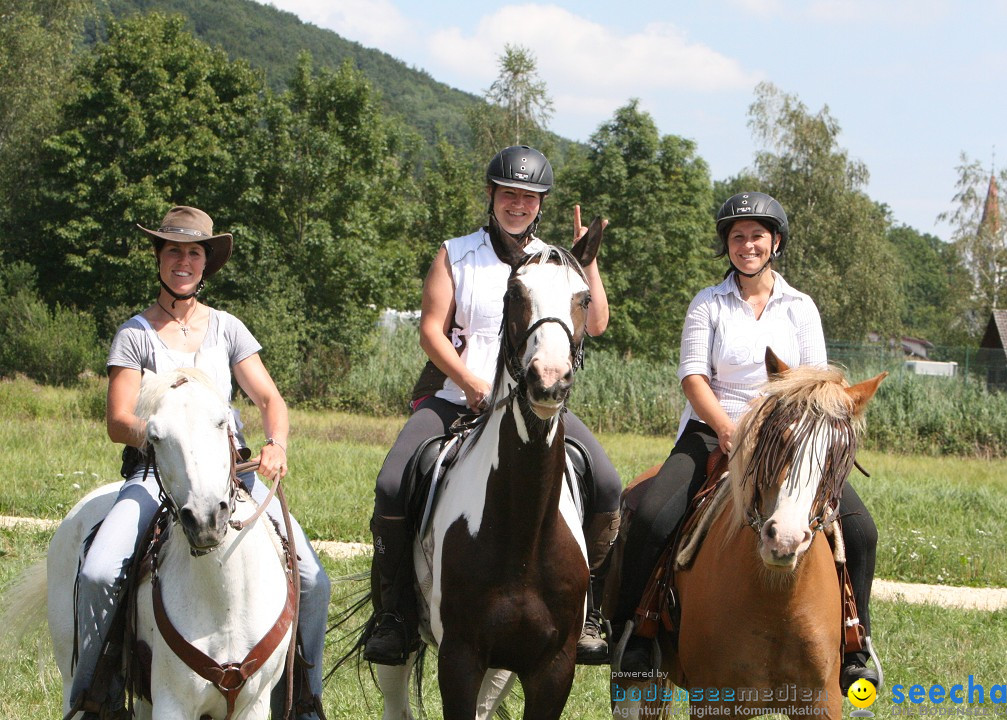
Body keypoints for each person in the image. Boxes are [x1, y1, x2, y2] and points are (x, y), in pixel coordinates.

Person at [363, 146, 622, 666]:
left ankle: (589, 612)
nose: (518, 205)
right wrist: (470, 381)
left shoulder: (555, 261)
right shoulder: (456, 253)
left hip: (534, 406)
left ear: (540, 204)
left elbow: (594, 325)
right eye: (509, 195)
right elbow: (431, 331)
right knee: (393, 482)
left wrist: (585, 263)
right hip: (456, 400)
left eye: (528, 198)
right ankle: (394, 615)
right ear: (491, 196)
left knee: (610, 484)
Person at [612, 192, 880, 691]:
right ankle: (637, 635)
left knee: (861, 531)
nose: (747, 245)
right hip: (713, 430)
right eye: (737, 236)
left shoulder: (800, 307)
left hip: (787, 438)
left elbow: (819, 385)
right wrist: (727, 429)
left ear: (775, 242)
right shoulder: (708, 303)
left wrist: (783, 431)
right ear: (727, 246)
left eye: (757, 235)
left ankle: (855, 643)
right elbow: (693, 377)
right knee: (651, 515)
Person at [73, 206, 331, 720]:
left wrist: (275, 443)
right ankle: (95, 693)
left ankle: (304, 697)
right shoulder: (135, 334)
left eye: (193, 252)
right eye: (174, 251)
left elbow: (269, 401)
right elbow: (118, 420)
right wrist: (168, 437)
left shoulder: (228, 329)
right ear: (159, 257)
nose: (183, 261)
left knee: (312, 577)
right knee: (101, 571)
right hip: (156, 474)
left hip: (230, 475)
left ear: (206, 263)